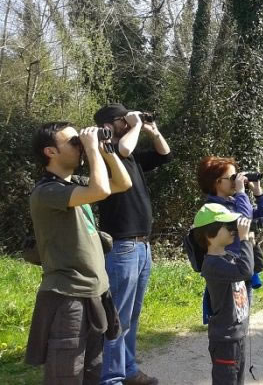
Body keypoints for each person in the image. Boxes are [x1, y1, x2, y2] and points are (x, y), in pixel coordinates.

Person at [25, 122, 132, 385]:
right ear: (50, 151)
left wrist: (105, 149)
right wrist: (92, 149)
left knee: (92, 373)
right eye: (73, 143)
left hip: (95, 294)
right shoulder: (47, 192)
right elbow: (101, 190)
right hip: (67, 297)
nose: (80, 146)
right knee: (66, 375)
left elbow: (122, 183)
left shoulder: (75, 184)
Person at [93, 104, 172, 385]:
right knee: (118, 318)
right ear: (109, 124)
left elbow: (165, 155)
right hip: (122, 245)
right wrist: (136, 125)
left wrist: (151, 129)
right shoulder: (104, 152)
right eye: (122, 120)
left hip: (142, 245)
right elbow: (122, 149)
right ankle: (111, 378)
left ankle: (127, 371)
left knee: (132, 316)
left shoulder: (132, 153)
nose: (127, 122)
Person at [192, 203, 263, 385]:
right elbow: (245, 271)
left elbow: (257, 266)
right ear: (210, 234)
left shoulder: (228, 257)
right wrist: (244, 241)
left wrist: (252, 243)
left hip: (236, 335)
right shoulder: (212, 265)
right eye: (228, 226)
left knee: (237, 380)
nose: (234, 229)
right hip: (224, 340)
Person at [196, 156, 263, 305]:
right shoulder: (213, 210)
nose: (236, 181)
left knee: (244, 317)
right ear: (217, 182)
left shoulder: (234, 202)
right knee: (233, 318)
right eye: (232, 177)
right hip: (231, 269)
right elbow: (243, 221)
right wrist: (241, 193)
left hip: (245, 262)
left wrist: (258, 194)